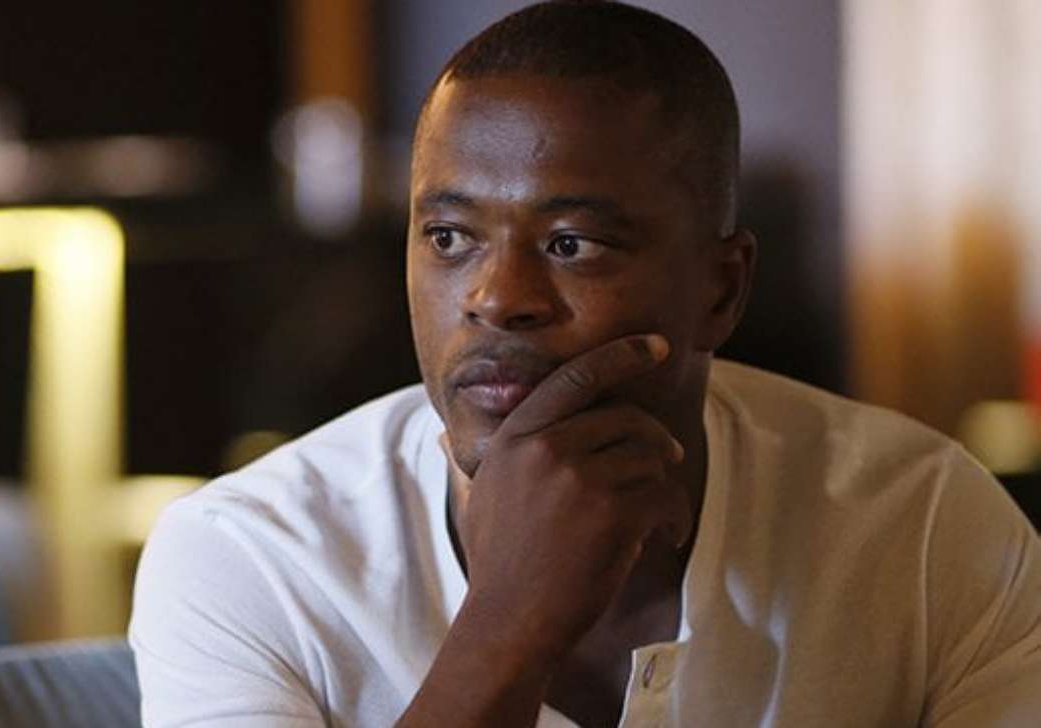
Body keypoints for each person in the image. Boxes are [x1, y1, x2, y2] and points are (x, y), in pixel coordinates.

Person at [129, 2, 1041, 726]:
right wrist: (506, 630)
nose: (496, 298)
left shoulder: (924, 522)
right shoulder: (249, 556)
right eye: (448, 237)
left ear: (721, 288)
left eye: (572, 244)